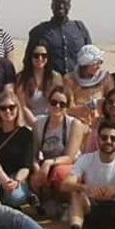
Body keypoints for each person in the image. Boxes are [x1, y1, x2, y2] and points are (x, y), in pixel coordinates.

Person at [30, 85, 88, 219]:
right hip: (46, 166)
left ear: (67, 107)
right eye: (54, 102)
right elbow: (33, 154)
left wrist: (49, 163)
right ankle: (48, 201)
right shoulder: (38, 123)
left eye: (62, 104)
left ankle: (71, 201)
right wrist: (37, 168)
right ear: (48, 104)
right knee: (34, 177)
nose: (57, 107)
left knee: (59, 173)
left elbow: (70, 156)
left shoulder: (74, 124)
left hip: (68, 166)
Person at [0, 87, 35, 208]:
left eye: (11, 107)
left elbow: (26, 165)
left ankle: (13, 195)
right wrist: (2, 176)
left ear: (18, 108)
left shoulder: (26, 133)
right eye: (3, 108)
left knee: (16, 199)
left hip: (14, 175)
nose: (7, 111)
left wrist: (17, 181)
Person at [27, 0, 91, 75]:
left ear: (69, 6)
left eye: (64, 3)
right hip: (50, 85)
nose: (61, 6)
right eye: (57, 2)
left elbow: (91, 58)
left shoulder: (79, 28)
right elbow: (28, 62)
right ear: (52, 5)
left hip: (76, 84)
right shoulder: (39, 31)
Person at [63, 45, 114, 127]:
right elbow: (68, 109)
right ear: (85, 65)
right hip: (77, 124)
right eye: (96, 63)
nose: (99, 66)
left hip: (100, 123)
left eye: (100, 62)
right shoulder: (70, 80)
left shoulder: (105, 78)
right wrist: (89, 106)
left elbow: (112, 102)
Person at [14, 42, 63, 123]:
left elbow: (59, 103)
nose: (40, 58)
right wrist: (36, 124)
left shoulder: (56, 77)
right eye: (36, 55)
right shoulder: (21, 78)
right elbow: (23, 106)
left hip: (51, 119)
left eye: (44, 55)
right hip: (28, 121)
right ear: (30, 57)